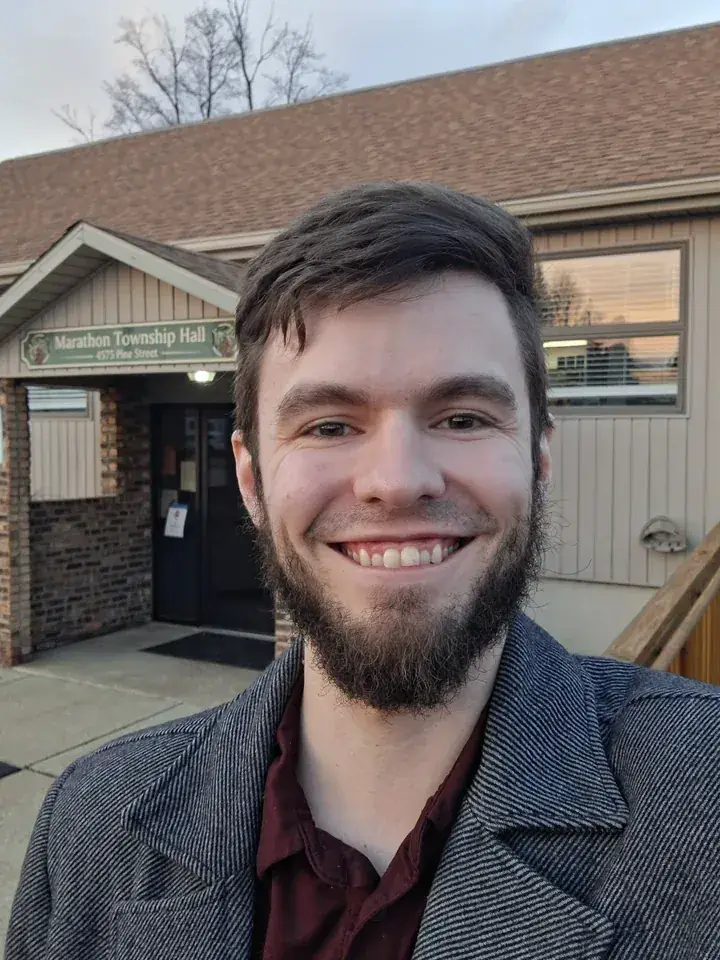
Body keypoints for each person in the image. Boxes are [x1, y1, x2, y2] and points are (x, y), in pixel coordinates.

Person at [6, 183, 720, 960]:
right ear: (251, 479)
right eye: (331, 425)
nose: (397, 479)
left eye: (462, 418)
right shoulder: (91, 827)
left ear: (539, 456)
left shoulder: (700, 795)